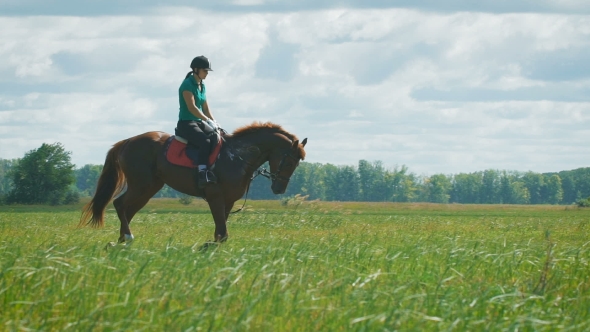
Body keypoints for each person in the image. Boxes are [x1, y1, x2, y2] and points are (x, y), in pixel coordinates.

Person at [176, 55, 220, 189]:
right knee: (205, 141)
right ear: (196, 69)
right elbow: (192, 107)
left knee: (215, 137)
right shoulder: (187, 85)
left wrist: (214, 122)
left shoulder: (202, 85)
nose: (207, 73)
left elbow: (205, 107)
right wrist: (206, 120)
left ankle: (211, 167)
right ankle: (202, 172)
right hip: (186, 123)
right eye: (205, 70)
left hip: (199, 122)